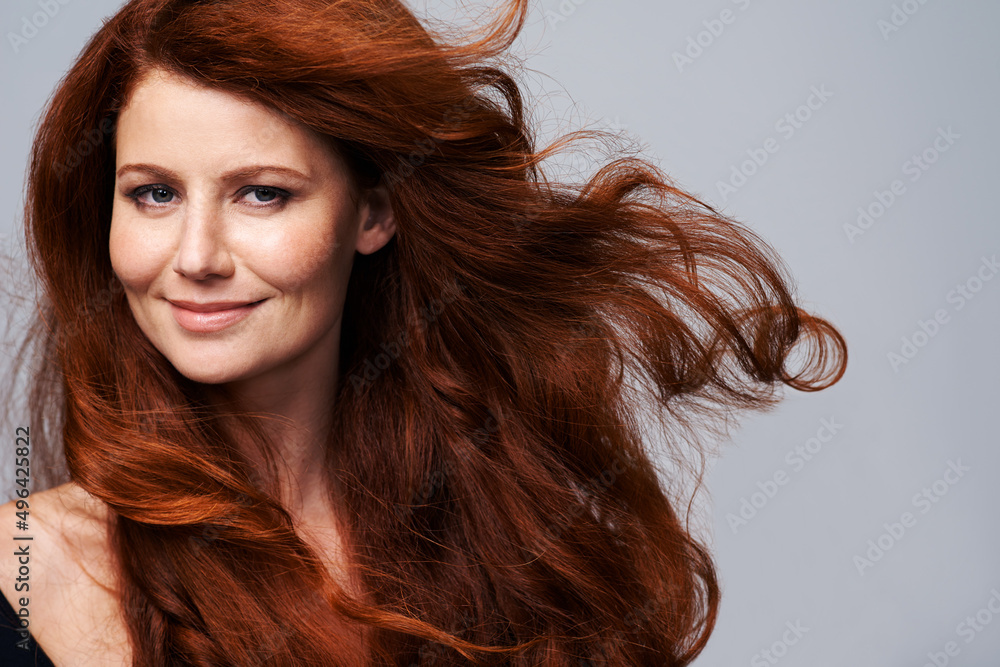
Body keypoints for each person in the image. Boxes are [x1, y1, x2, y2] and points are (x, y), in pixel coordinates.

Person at [0, 0, 847, 665]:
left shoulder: (506, 526)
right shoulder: (28, 574)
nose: (195, 257)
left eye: (262, 193)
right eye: (153, 194)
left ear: (374, 210)